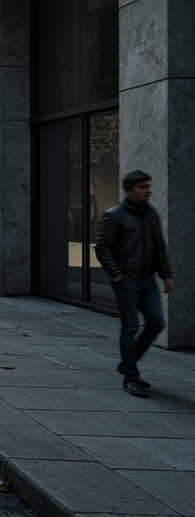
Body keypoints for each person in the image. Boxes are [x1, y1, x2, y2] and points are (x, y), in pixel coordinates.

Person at [95, 170, 174, 396]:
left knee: (157, 322)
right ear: (129, 190)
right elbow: (102, 247)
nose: (148, 190)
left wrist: (166, 275)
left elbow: (159, 246)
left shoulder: (150, 214)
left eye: (148, 186)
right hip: (126, 279)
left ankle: (126, 364)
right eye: (142, 187)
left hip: (148, 279)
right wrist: (116, 274)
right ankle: (131, 377)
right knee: (130, 327)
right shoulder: (115, 215)